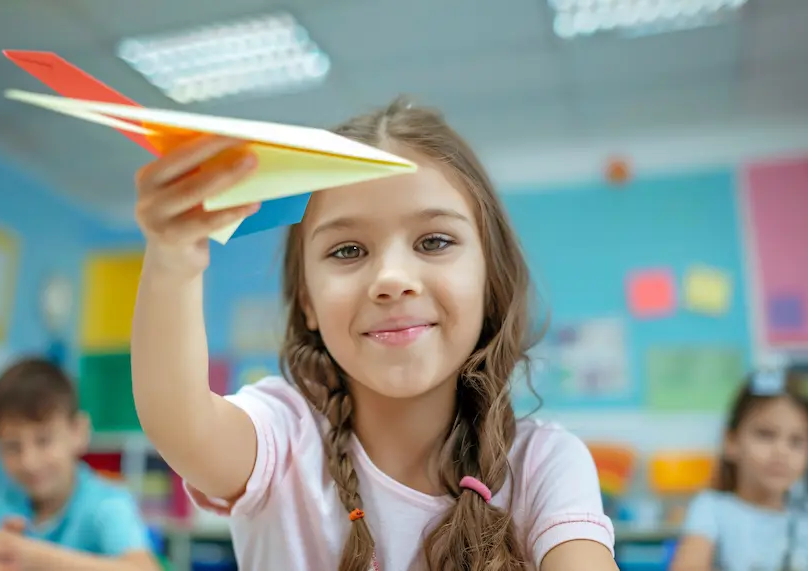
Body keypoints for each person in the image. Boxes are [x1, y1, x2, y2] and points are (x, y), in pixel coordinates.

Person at [130, 98, 618, 570]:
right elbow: (184, 426)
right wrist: (173, 261)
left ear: (489, 279)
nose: (391, 279)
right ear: (307, 300)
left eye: (434, 241)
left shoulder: (544, 464)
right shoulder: (282, 435)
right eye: (347, 251)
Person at [0, 358, 159, 571]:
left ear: (78, 433)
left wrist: (34, 557)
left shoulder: (106, 503)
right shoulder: (1, 505)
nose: (29, 461)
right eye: (13, 446)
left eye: (44, 440)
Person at [669, 370, 808, 571]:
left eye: (796, 441)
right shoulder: (712, 509)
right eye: (765, 435)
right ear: (731, 441)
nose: (781, 452)